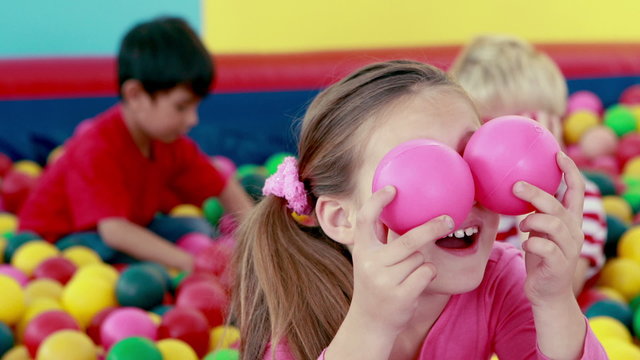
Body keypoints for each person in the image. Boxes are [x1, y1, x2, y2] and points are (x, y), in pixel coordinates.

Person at [231, 60, 606, 359]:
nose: (466, 195)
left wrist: (555, 301)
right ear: (341, 218)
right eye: (426, 173)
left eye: (475, 159)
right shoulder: (300, 306)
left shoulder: (501, 278)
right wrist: (372, 325)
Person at [18, 17, 253, 271]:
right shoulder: (97, 147)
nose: (193, 119)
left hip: (125, 228)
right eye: (181, 106)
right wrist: (194, 265)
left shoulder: (167, 141)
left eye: (195, 106)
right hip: (54, 246)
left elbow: (222, 185)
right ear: (136, 95)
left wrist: (257, 238)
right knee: (112, 252)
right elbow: (114, 232)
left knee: (194, 228)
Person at [449, 34, 607, 294]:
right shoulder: (458, 202)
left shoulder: (577, 199)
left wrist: (535, 196)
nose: (506, 152)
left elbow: (561, 292)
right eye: (488, 131)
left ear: (553, 129)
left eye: (527, 129)